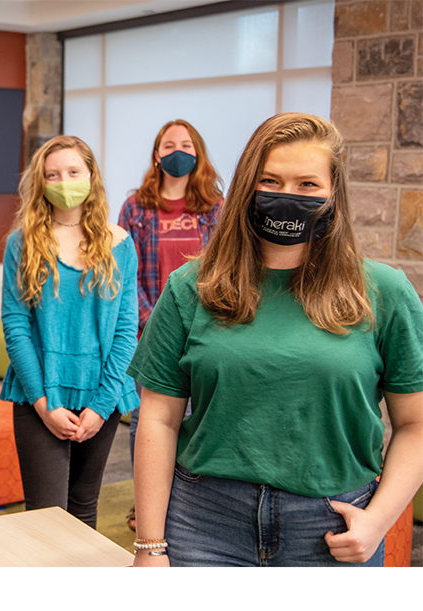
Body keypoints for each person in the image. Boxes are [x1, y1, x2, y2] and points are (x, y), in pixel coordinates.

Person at [129, 113, 423, 598]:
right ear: (247, 186)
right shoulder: (191, 288)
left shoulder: (383, 292)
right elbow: (157, 419)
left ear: (333, 194)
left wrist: (377, 522)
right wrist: (149, 545)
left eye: (308, 183)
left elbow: (414, 426)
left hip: (332, 528)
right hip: (203, 523)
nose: (288, 194)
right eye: (270, 180)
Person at [0, 135, 139, 529]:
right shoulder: (22, 243)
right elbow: (15, 326)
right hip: (39, 393)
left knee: (83, 509)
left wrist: (101, 406)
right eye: (52, 175)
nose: (64, 182)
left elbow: (127, 330)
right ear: (40, 184)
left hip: (102, 394)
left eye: (73, 172)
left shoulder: (120, 244)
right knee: (47, 518)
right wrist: (44, 404)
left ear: (91, 176)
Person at [118, 119, 223, 531]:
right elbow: (124, 273)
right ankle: (143, 501)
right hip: (151, 331)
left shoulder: (215, 206)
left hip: (203, 329)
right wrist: (153, 321)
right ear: (157, 155)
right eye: (168, 144)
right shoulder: (135, 207)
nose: (177, 150)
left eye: (185, 143)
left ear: (197, 152)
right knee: (149, 418)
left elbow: (224, 267)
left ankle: (187, 499)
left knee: (196, 415)